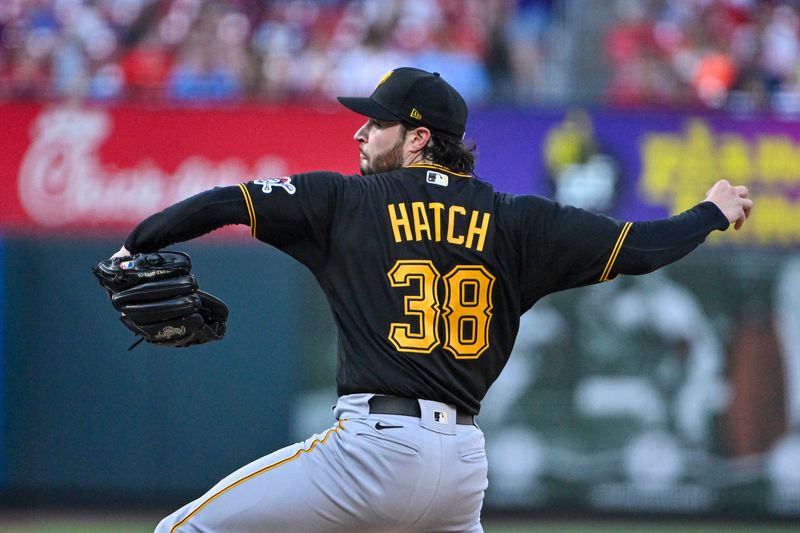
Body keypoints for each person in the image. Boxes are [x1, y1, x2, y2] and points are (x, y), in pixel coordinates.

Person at [111, 67, 752, 532]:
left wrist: (132, 248)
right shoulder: (517, 220)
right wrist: (711, 212)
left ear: (417, 138)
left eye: (376, 122)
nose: (360, 133)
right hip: (461, 470)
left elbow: (223, 201)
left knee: (182, 532)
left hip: (371, 448)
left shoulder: (345, 201)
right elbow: (640, 246)